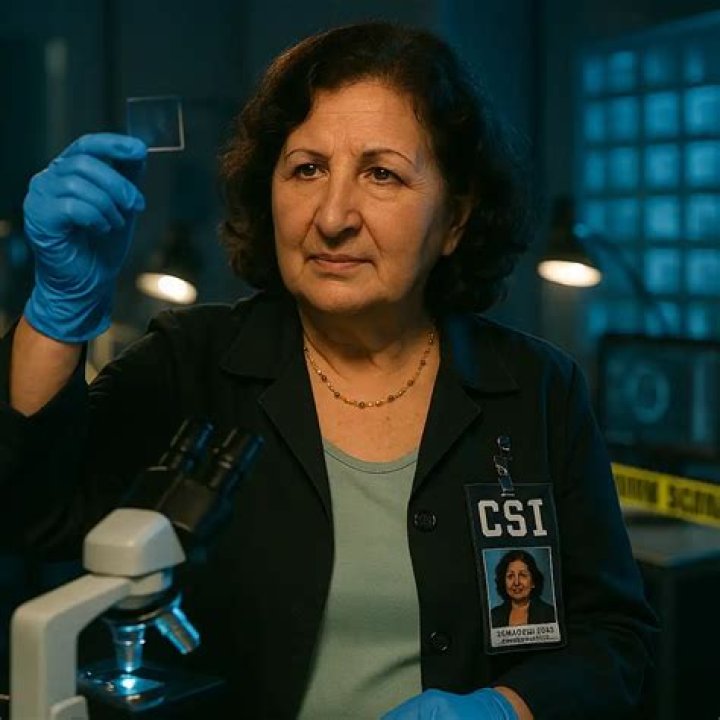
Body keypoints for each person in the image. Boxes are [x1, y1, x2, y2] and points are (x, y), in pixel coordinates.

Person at [0, 21, 656, 720]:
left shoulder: (538, 391)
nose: (334, 216)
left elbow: (615, 640)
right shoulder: (192, 360)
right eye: (307, 169)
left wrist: (505, 709)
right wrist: (57, 312)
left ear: (456, 219)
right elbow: (31, 513)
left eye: (382, 174)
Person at [490, 550, 556, 628]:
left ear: (533, 582)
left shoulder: (550, 614)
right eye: (510, 576)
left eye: (523, 575)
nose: (516, 582)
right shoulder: (493, 615)